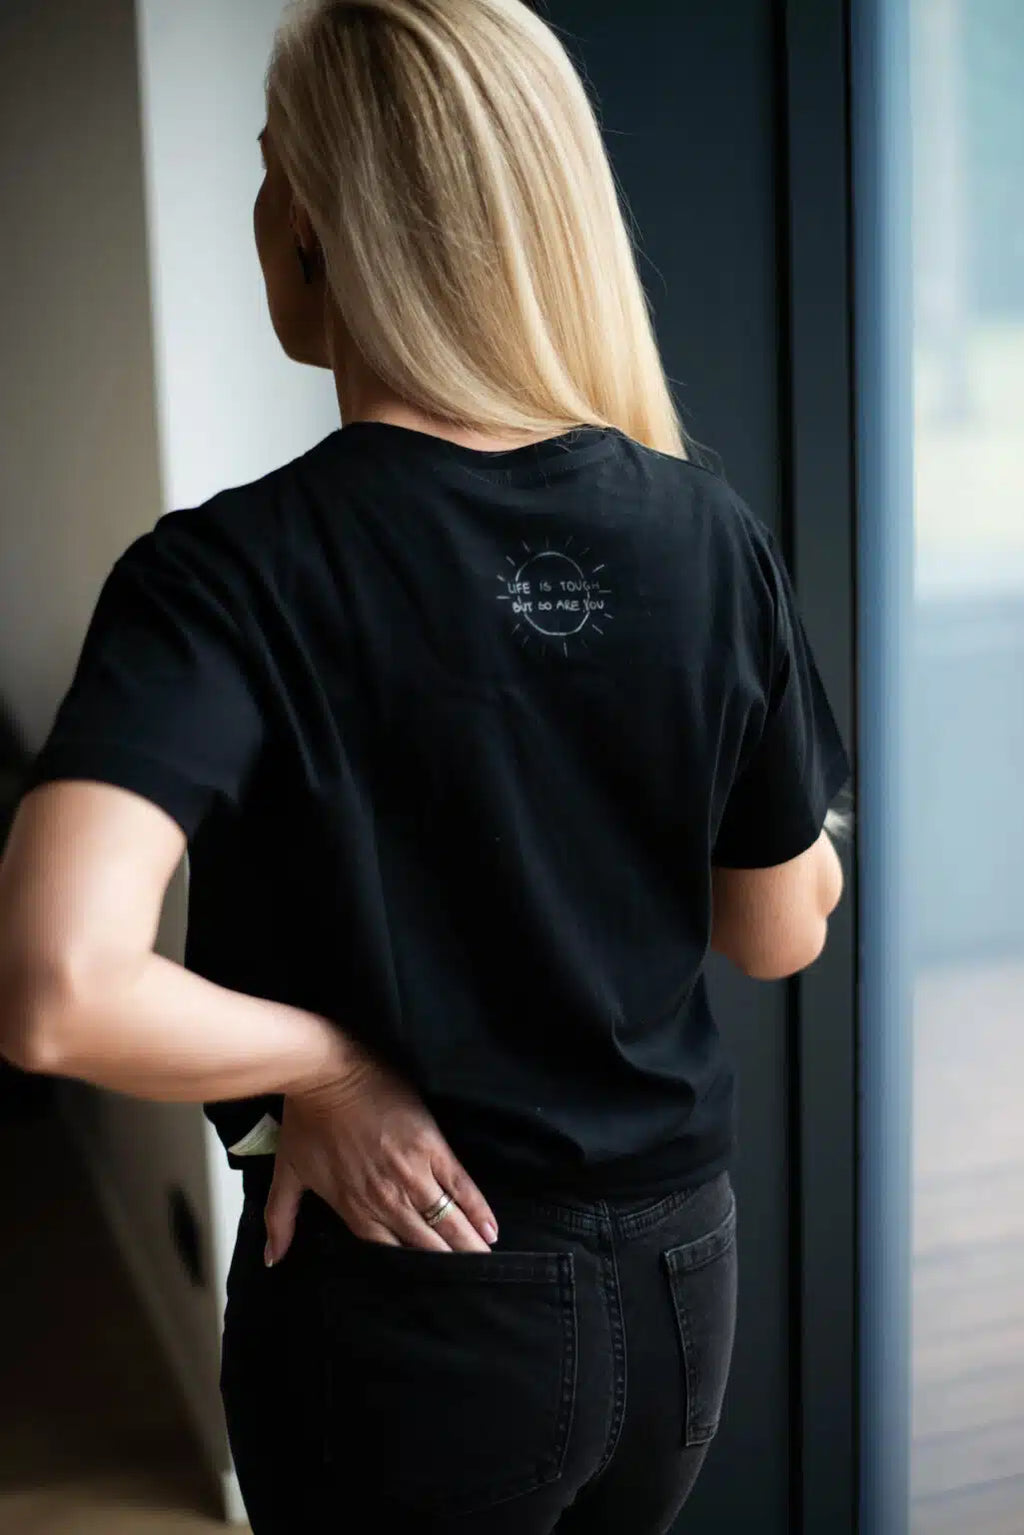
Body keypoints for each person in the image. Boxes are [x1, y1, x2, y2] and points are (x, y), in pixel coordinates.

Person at [0, 0, 851, 1529]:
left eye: (273, 165)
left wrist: (324, 1066)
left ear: (315, 228)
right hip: (677, 1287)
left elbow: (59, 987)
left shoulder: (230, 575)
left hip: (411, 1311)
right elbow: (778, 930)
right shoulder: (709, 536)